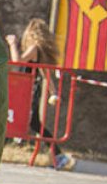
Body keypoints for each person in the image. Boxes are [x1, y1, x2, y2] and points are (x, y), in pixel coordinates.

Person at [5, 18, 75, 170]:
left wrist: (12, 44)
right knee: (33, 123)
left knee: (28, 121)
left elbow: (18, 61)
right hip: (32, 90)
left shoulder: (34, 48)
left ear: (30, 33)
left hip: (28, 90)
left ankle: (59, 156)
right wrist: (53, 92)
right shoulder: (39, 50)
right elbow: (45, 73)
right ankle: (58, 156)